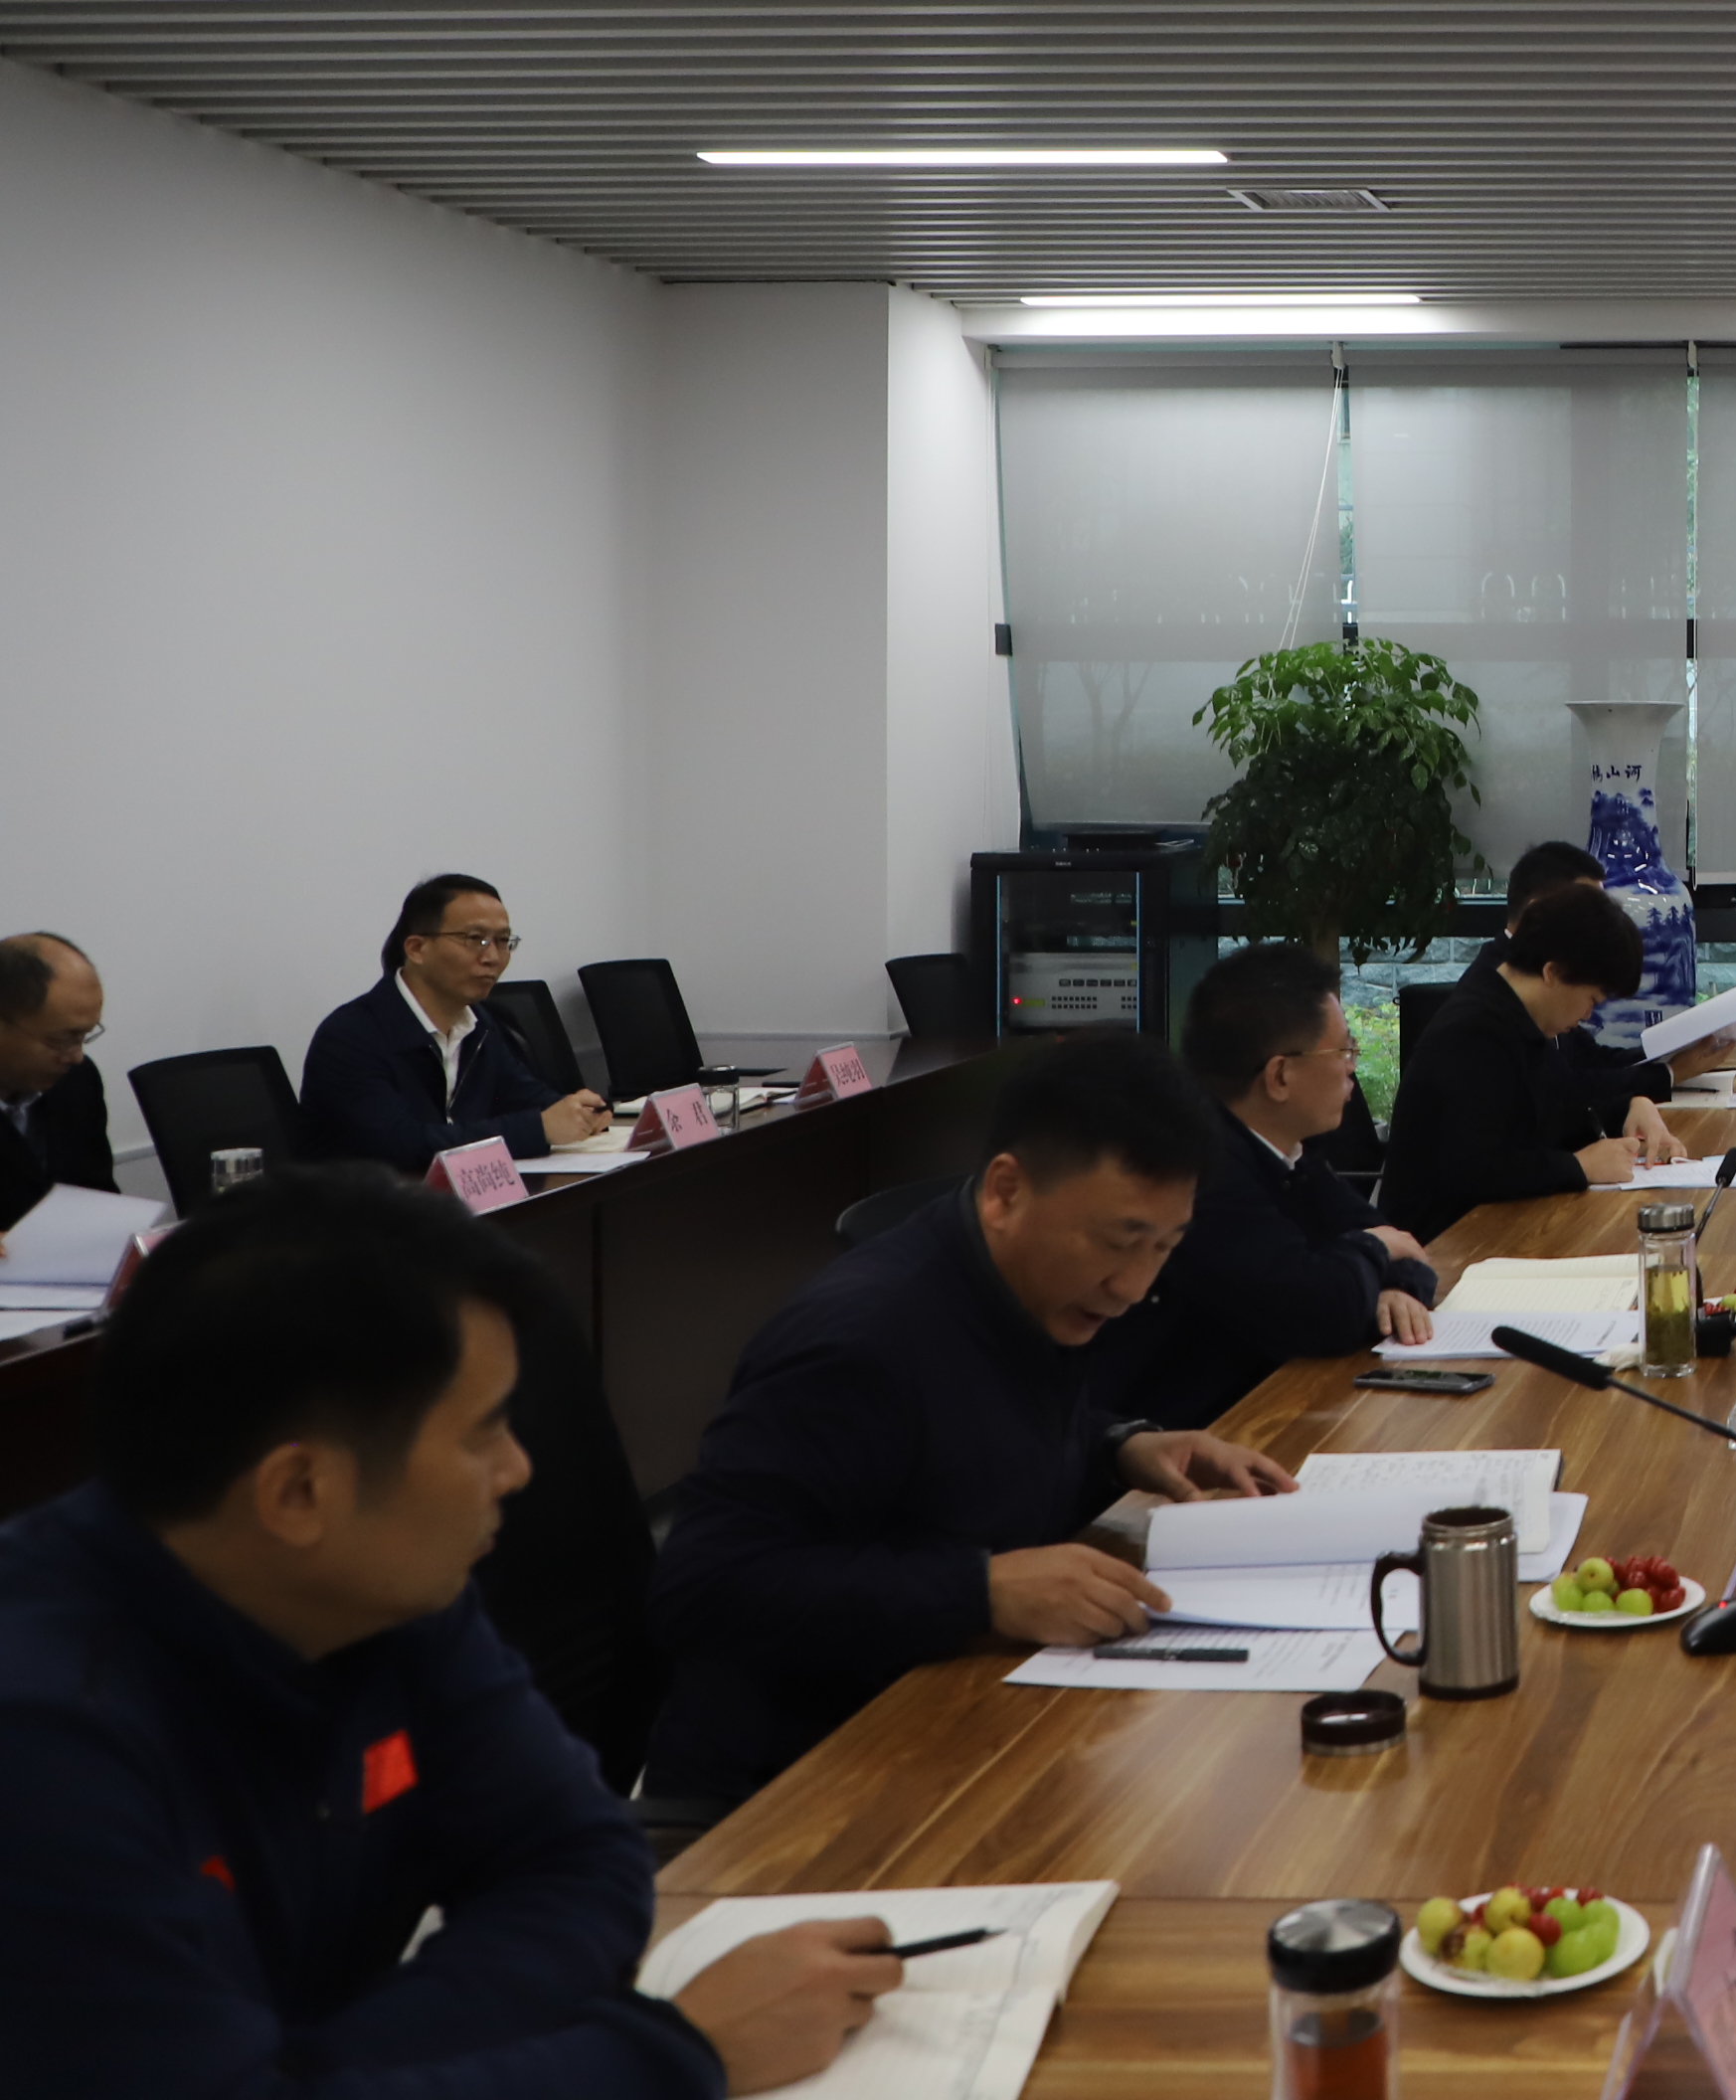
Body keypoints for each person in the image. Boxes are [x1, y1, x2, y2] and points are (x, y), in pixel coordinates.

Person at [0, 1163, 904, 2096]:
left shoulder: (378, 1589)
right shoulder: (43, 1739)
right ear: (300, 1491)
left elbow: (578, 1859)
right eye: (483, 1432)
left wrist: (323, 2077)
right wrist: (677, 2056)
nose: (518, 1469)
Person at [645, 1035, 1298, 1805]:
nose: (1131, 1285)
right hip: (800, 1787)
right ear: (1006, 1191)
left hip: (960, 1716)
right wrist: (981, 1591)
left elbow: (966, 1434)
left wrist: (1120, 1446)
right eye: (1118, 1241)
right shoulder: (858, 1344)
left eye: (1164, 1246)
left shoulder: (1032, 1289)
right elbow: (705, 1587)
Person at [1102, 944, 1444, 1431]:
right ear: (1280, 1075)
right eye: (1344, 1050)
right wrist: (1373, 1253)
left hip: (1270, 1403)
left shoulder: (1286, 1148)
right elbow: (1319, 1309)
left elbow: (1401, 1246)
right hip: (1192, 1437)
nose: (1352, 1065)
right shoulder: (1199, 1168)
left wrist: (1391, 1284)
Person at [1385, 884, 1659, 1244]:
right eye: (1591, 999)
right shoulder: (1474, 1032)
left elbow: (1557, 1105)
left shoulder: (1519, 1017)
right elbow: (1473, 1169)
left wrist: (1628, 1107)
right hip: (1442, 1245)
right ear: (1553, 972)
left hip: (1498, 1227)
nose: (1587, 1014)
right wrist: (1579, 1166)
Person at [299, 875, 608, 1172]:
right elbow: (402, 1145)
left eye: (503, 941)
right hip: (370, 1202)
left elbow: (524, 1097)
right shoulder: (350, 1036)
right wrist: (538, 1129)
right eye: (475, 939)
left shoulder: (482, 1024)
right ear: (416, 948)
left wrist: (580, 1112)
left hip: (457, 1197)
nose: (492, 957)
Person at [1456, 839, 1735, 1153]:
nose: (1600, 924)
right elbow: (1560, 1094)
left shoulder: (1544, 983)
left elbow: (1582, 1065)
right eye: (1588, 910)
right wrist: (1668, 1075)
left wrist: (1663, 1066)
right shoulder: (1492, 1002)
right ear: (1538, 912)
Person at [0, 930, 112, 1229]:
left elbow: (99, 1196)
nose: (76, 1056)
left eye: (85, 1036)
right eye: (62, 1040)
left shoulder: (76, 1083)